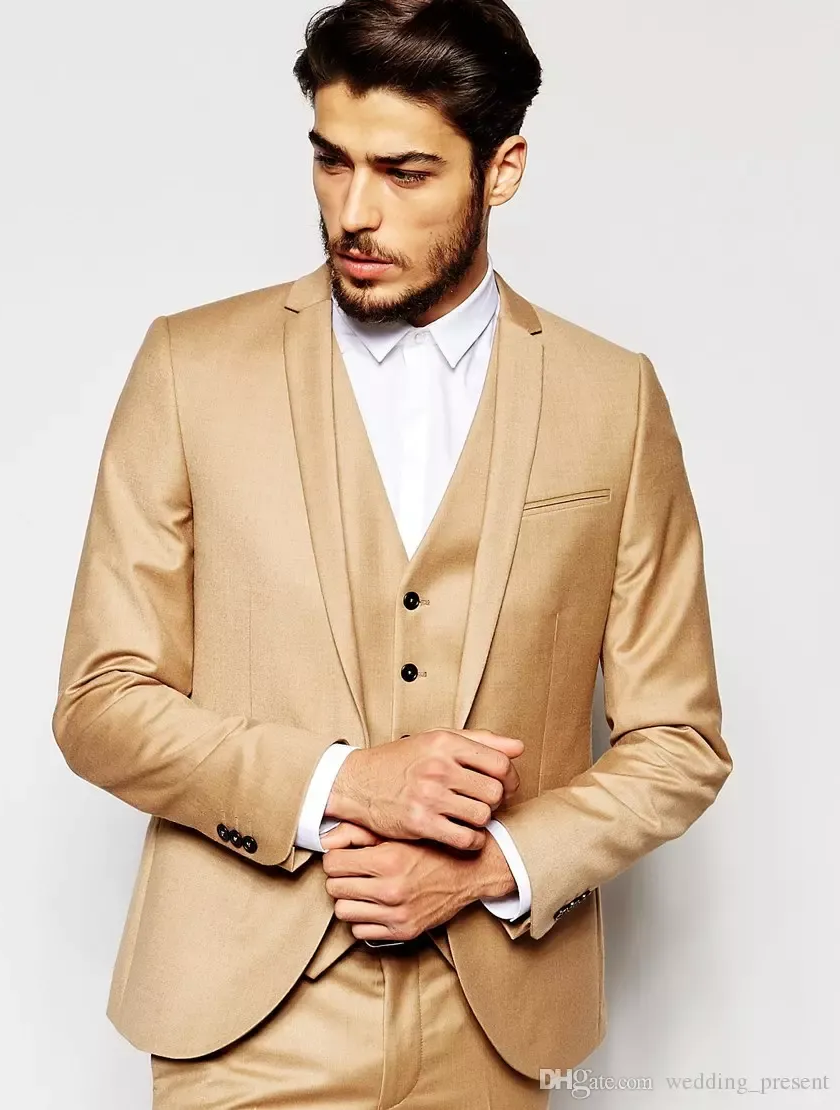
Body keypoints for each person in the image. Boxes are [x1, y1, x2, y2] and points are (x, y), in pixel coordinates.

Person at [51, 1, 733, 1106]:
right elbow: (100, 701)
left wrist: (497, 866)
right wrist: (341, 784)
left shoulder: (613, 399)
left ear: (501, 170)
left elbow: (679, 740)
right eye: (332, 162)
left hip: (498, 1020)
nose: (354, 213)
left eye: (406, 173)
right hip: (243, 1019)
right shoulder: (191, 368)